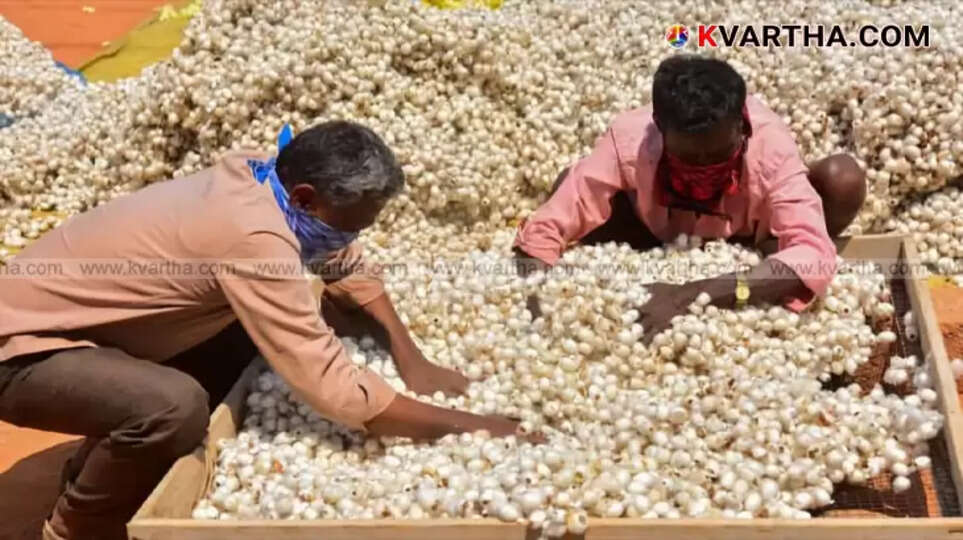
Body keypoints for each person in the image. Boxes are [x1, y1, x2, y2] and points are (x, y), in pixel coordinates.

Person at [0, 121, 529, 540]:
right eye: (350, 222)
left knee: (242, 342)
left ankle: (99, 467)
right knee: (173, 406)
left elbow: (344, 260)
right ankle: (74, 530)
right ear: (303, 198)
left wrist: (410, 357)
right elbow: (333, 389)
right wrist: (471, 426)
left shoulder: (264, 176)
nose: (350, 237)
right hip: (19, 349)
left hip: (78, 327)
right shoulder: (252, 237)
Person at [514, 54, 866, 339]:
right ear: (661, 130)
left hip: (750, 239)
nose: (704, 167)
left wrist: (692, 294)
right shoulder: (632, 139)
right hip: (655, 236)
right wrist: (541, 306)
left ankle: (760, 278)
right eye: (689, 159)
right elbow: (544, 230)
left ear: (742, 127)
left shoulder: (770, 150)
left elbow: (813, 255)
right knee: (569, 183)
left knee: (842, 180)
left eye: (719, 155)